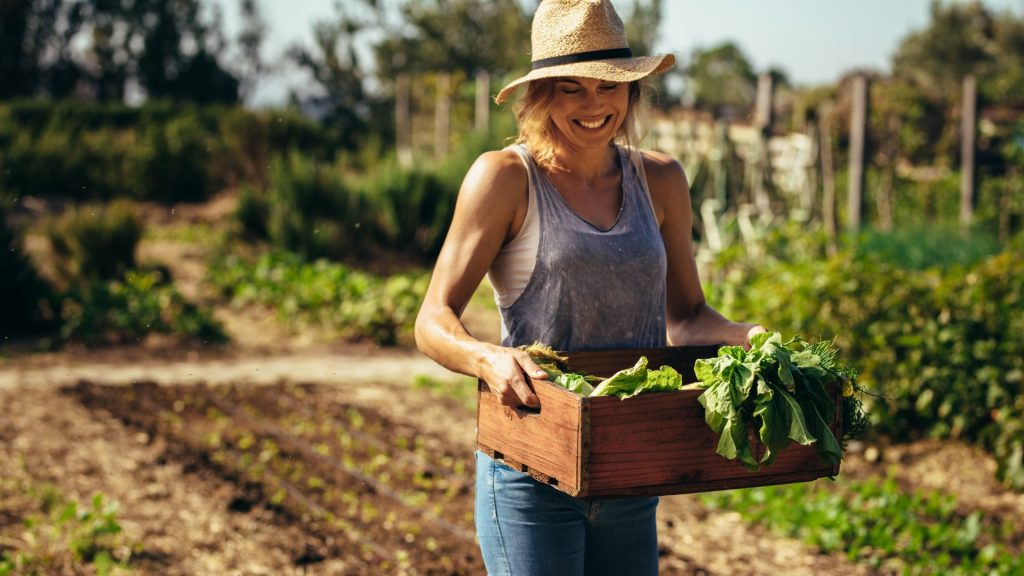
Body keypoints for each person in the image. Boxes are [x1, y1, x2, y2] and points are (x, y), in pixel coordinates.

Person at [415, 0, 764, 573]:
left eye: (609, 85)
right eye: (571, 88)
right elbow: (432, 320)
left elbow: (688, 316)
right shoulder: (505, 178)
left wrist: (754, 337)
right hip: (531, 465)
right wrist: (487, 359)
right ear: (541, 94)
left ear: (632, 90)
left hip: (627, 461)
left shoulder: (662, 179)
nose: (594, 104)